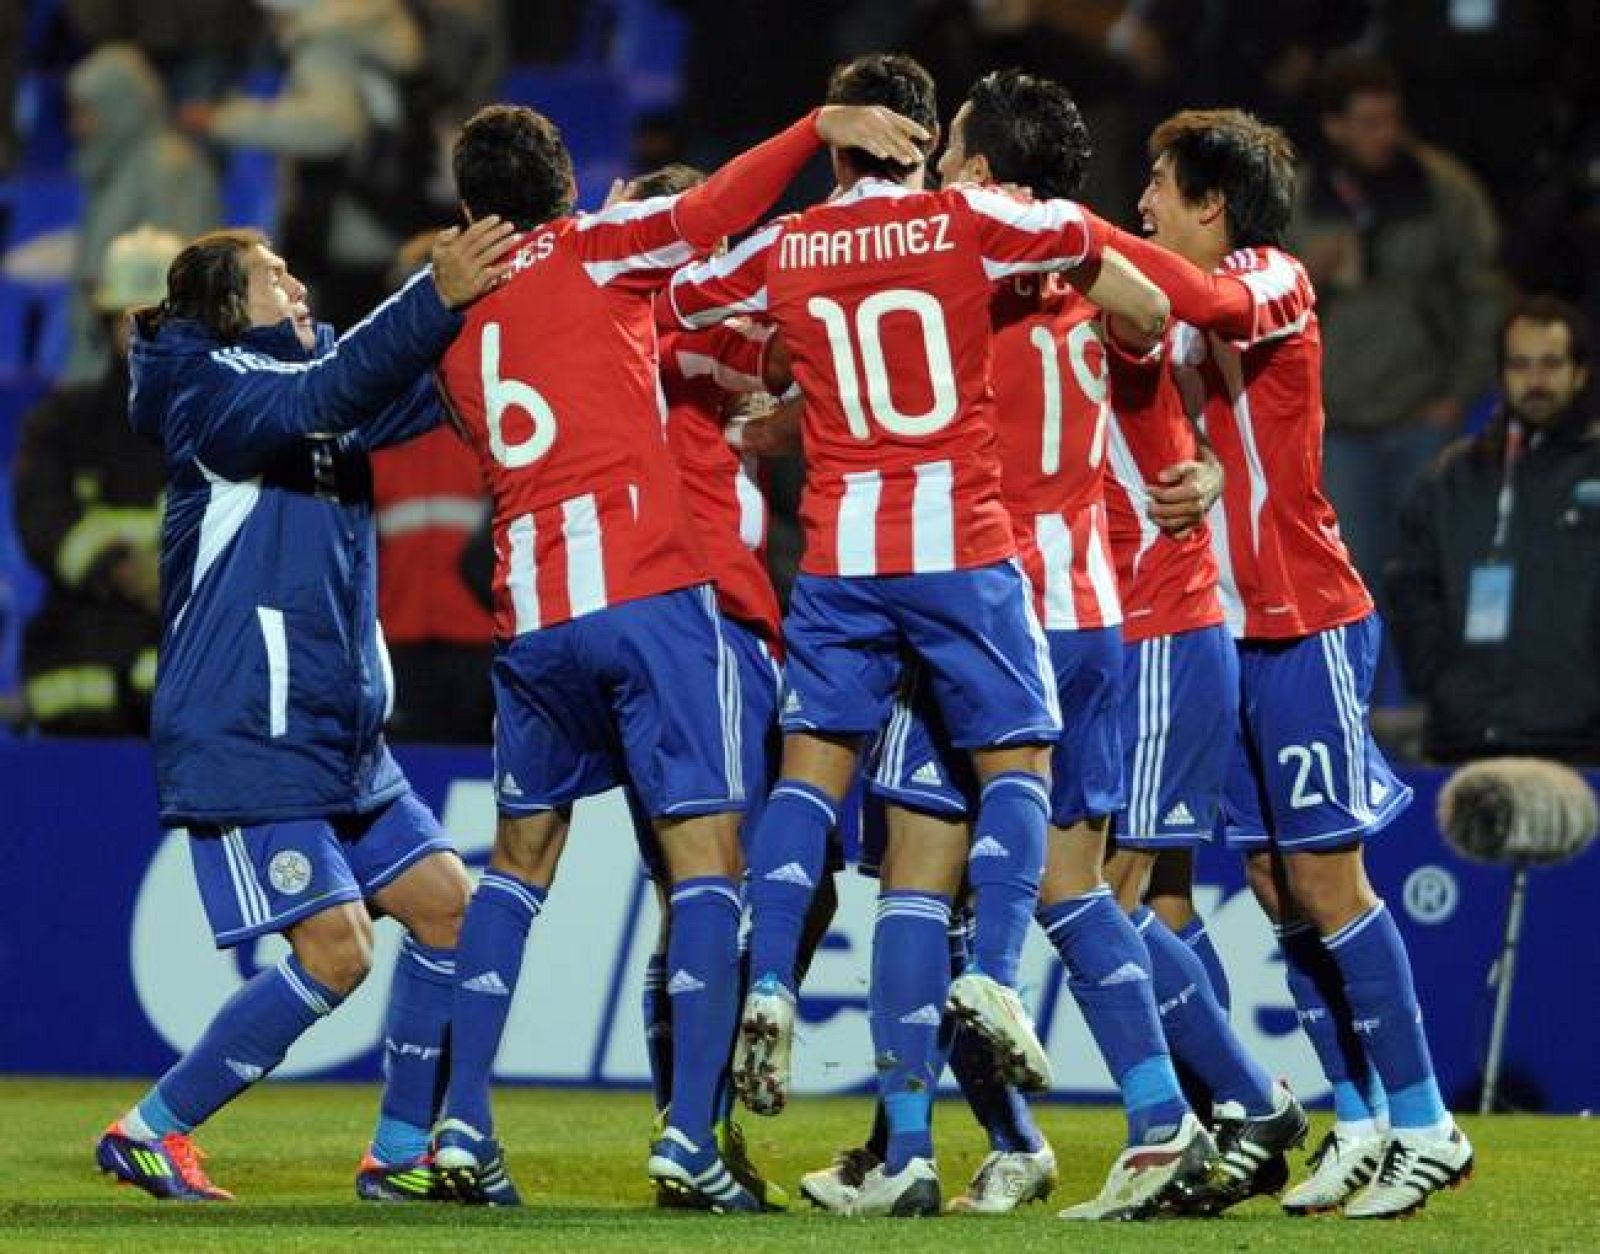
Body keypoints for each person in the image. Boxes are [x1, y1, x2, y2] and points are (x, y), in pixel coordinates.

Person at [665, 52, 1169, 1216]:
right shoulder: (967, 220)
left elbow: (685, 297)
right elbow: (1118, 279)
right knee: (1019, 772)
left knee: (810, 775)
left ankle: (774, 981)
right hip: (966, 549)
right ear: (921, 139)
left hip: (840, 558)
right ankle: (993, 980)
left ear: (842, 138)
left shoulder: (784, 246)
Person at [426, 95, 929, 1213]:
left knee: (516, 869)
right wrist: (816, 126)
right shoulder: (608, 255)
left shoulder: (447, 321)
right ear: (567, 190)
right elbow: (710, 212)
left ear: (468, 210)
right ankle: (690, 1137)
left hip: (530, 614)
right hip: (653, 597)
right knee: (707, 867)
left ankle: (458, 1124)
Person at [806, 66, 1217, 1222]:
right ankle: (1157, 1122)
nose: (931, 174)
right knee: (1078, 891)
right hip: (1090, 610)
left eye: (950, 159)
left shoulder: (945, 270)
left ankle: (904, 1151)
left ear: (983, 175)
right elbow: (1156, 320)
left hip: (976, 610)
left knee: (909, 884)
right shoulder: (1092, 279)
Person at [93, 215, 517, 1202]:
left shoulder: (311, 390)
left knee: (448, 905)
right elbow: (331, 387)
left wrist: (528, 265)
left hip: (339, 733)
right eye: (272, 277)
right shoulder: (210, 398)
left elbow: (405, 381)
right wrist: (430, 294)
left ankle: (403, 1152)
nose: (296, 285)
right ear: (228, 311)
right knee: (338, 950)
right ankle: (151, 1129)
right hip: (249, 728)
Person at [1105, 106, 1474, 1220]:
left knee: (1327, 882)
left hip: (1308, 616)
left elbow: (1199, 304)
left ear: (1213, 205)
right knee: (1272, 888)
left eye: (1160, 188)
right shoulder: (1183, 319)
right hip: (1230, 632)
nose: (1143, 206)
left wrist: (1070, 236)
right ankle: (1357, 1119)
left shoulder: (1272, 278)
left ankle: (1425, 1122)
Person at [1290, 55, 1502, 596]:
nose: (1384, 134)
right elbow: (1254, 301)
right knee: (1354, 582)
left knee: (1432, 570)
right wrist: (1307, 274)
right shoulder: (1298, 198)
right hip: (1339, 426)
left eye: (1391, 119)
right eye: (1368, 122)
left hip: (1423, 413)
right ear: (1334, 126)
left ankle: (1429, 684)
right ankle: (1366, 684)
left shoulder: (1444, 189)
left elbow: (1484, 292)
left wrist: (1459, 393)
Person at [1388, 298, 1600, 765]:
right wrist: (1439, 681)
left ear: (1580, 373)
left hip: (1581, 745)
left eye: (1551, 364)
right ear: (1502, 374)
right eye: (1520, 365)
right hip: (1466, 736)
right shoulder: (1451, 478)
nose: (1535, 381)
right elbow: (1410, 585)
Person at [12, 227, 179, 735]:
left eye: (160, 319)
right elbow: (42, 519)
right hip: (79, 656)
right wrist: (119, 568)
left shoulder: (219, 425)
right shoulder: (62, 421)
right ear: (106, 320)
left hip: (181, 649)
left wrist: (171, 575)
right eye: (132, 319)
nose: (145, 333)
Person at [64, 43, 221, 381]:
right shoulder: (118, 168)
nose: (77, 126)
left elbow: (178, 272)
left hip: (141, 368)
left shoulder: (167, 168)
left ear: (120, 108)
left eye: (87, 112)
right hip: (102, 360)